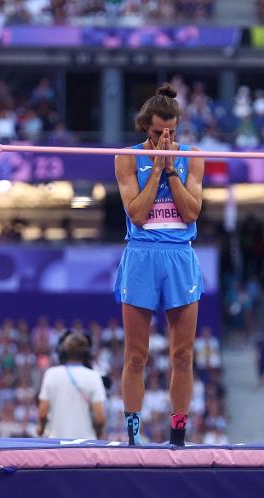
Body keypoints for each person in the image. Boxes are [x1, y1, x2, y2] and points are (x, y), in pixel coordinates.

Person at [113, 83, 205, 446]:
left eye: (170, 132)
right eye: (156, 133)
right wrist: (155, 168)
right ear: (144, 128)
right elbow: (136, 214)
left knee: (182, 355)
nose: (163, 139)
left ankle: (178, 436)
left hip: (179, 256)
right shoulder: (126, 157)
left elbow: (191, 212)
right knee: (136, 355)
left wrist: (170, 171)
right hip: (141, 254)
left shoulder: (193, 156)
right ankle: (133, 437)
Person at [37, 332, 107, 439]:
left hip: (56, 443)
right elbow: (100, 418)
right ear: (86, 354)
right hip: (85, 444)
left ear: (63, 353)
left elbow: (42, 412)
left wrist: (41, 429)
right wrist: (99, 433)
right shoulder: (94, 376)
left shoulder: (51, 374)